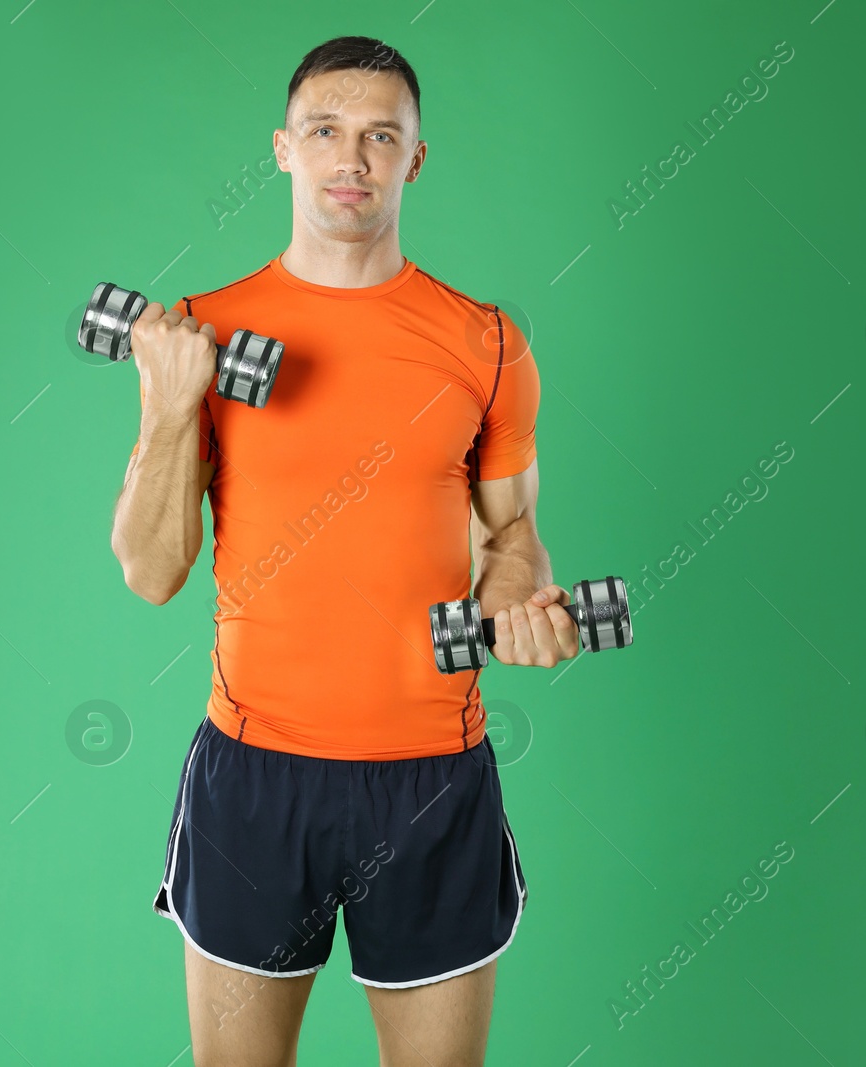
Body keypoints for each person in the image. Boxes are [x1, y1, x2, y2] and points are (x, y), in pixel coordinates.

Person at [111, 35, 579, 1067]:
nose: (350, 158)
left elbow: (513, 534)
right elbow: (151, 573)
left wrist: (519, 594)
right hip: (253, 777)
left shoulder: (485, 341)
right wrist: (168, 407)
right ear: (284, 149)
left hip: (433, 780)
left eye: (380, 136)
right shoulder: (206, 331)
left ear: (415, 158)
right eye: (325, 132)